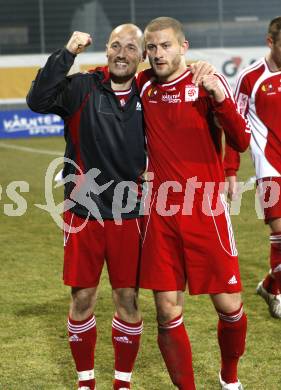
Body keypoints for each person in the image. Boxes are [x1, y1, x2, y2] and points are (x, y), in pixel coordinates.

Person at [26, 24, 213, 390]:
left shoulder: (149, 89)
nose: (122, 53)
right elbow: (38, 100)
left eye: (131, 47)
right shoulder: (83, 86)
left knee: (127, 298)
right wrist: (68, 53)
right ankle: (85, 382)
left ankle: (122, 382)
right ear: (106, 50)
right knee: (82, 298)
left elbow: (178, 88)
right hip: (84, 213)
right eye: (115, 46)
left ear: (141, 56)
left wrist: (200, 67)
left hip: (133, 214)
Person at [137, 17, 251, 390]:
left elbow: (240, 139)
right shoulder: (142, 86)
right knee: (167, 311)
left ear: (183, 47)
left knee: (230, 308)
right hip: (160, 216)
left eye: (165, 46)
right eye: (151, 48)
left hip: (206, 212)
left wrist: (219, 95)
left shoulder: (206, 83)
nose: (157, 54)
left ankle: (229, 379)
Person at [224, 16, 281, 320]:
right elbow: (234, 126)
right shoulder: (250, 78)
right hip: (270, 168)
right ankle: (277, 293)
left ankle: (271, 285)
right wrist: (230, 171)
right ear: (270, 42)